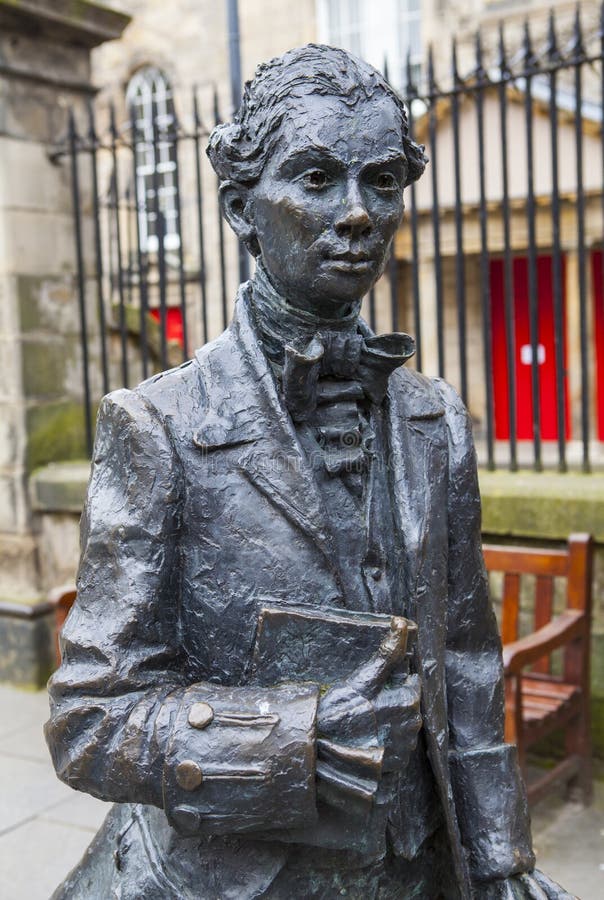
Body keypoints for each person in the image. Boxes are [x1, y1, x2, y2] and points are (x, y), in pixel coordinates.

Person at [46, 45, 572, 899]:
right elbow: (89, 722)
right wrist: (292, 737)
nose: (359, 213)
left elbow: (469, 664)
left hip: (418, 873)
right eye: (318, 178)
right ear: (241, 208)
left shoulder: (435, 420)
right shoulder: (162, 427)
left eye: (383, 182)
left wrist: (501, 856)